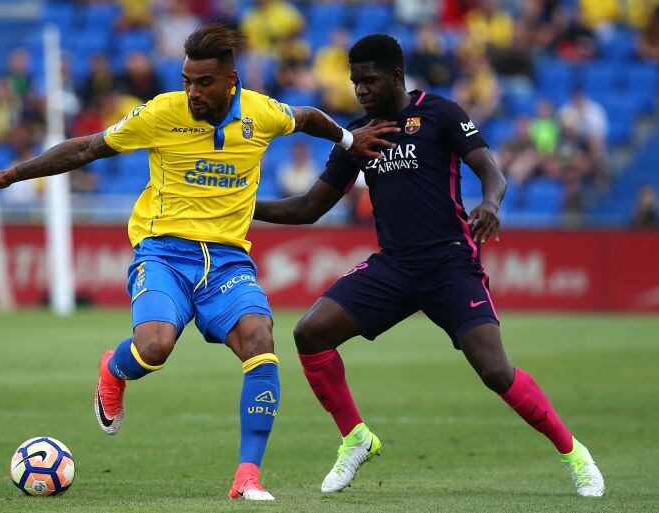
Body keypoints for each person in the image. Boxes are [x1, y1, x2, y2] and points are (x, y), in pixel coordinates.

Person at [0, 24, 397, 501]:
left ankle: (247, 477)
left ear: (231, 80)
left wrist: (346, 140)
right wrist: (10, 174)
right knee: (154, 347)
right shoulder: (161, 112)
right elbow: (88, 147)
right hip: (164, 252)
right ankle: (114, 369)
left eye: (203, 82)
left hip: (229, 260)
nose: (192, 91)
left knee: (260, 341)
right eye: (187, 79)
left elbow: (309, 117)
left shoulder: (261, 112)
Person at [253, 34, 605, 498]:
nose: (360, 90)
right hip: (394, 268)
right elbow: (307, 208)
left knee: (495, 371)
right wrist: (240, 204)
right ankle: (356, 439)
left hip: (449, 265)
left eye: (369, 81)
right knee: (309, 333)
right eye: (355, 82)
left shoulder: (440, 113)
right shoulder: (356, 137)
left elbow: (490, 170)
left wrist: (492, 203)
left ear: (397, 76)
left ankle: (574, 454)